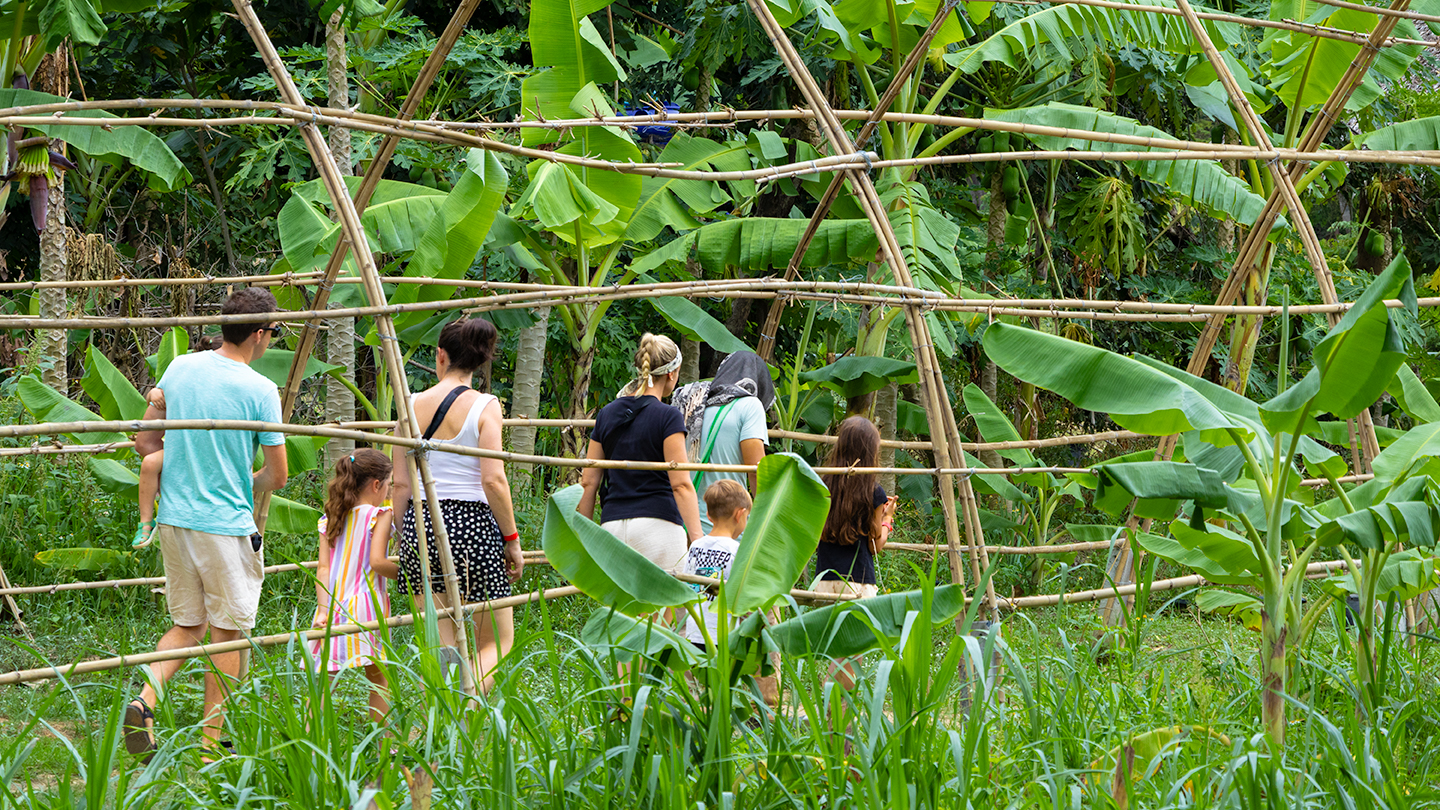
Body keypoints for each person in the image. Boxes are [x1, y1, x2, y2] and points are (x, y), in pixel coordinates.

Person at [126, 288, 289, 759]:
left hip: (174, 519)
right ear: (259, 334)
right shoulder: (260, 390)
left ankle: (145, 699)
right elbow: (276, 475)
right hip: (224, 524)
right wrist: (243, 479)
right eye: (273, 332)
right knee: (228, 634)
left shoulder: (180, 367)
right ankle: (211, 745)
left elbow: (144, 441)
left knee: (188, 624)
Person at [392, 317, 523, 693]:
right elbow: (493, 479)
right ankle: (466, 712)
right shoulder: (485, 406)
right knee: (496, 641)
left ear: (441, 356)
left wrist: (406, 535)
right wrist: (511, 539)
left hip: (424, 523)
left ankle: (433, 730)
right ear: (481, 361)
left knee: (439, 645)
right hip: (474, 526)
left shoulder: (410, 405)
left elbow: (401, 482)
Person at [579, 333, 702, 577]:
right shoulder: (669, 417)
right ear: (671, 373)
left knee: (619, 612)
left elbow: (588, 481)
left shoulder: (606, 414)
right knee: (665, 612)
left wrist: (582, 534)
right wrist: (698, 538)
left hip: (612, 527)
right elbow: (681, 485)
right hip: (659, 527)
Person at [310, 449, 397, 723]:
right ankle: (384, 743)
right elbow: (378, 561)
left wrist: (323, 611)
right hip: (366, 604)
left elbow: (323, 569)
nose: (389, 491)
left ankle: (311, 741)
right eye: (389, 484)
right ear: (376, 485)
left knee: (325, 679)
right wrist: (413, 574)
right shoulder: (380, 514)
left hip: (333, 604)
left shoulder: (330, 518)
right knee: (380, 678)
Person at [813, 415, 897, 689]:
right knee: (849, 660)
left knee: (838, 655)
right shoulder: (873, 491)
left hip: (824, 582)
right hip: (857, 582)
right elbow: (876, 543)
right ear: (871, 451)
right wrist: (887, 518)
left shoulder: (825, 483)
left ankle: (833, 719)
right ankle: (835, 721)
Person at [671, 350, 773, 534]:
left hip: (685, 521)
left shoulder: (695, 403)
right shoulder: (750, 406)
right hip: (728, 523)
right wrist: (764, 517)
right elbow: (756, 471)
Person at [679, 479, 752, 647]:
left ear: (709, 516)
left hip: (694, 630)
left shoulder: (695, 546)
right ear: (739, 514)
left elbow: (687, 586)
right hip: (724, 633)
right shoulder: (737, 551)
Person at [132, 387, 167, 548]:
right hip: (178, 448)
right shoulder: (180, 370)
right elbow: (155, 396)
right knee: (150, 462)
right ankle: (146, 522)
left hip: (204, 449)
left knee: (151, 462)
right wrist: (153, 393)